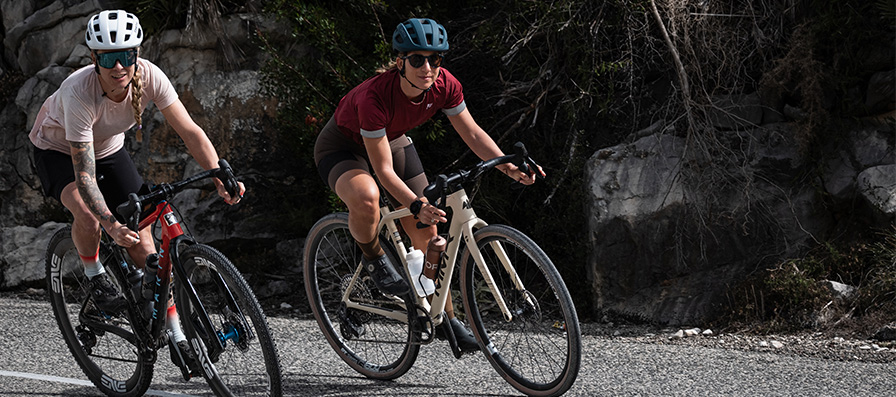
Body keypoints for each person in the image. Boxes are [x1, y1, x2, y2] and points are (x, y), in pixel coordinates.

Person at [29, 10, 245, 370]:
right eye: (109, 58)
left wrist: (219, 174)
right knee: (89, 214)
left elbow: (189, 130)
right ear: (94, 59)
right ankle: (96, 276)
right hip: (58, 152)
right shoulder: (78, 93)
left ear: (137, 54)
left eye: (126, 56)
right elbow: (84, 177)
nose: (119, 67)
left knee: (146, 244)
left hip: (109, 149)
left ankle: (177, 336)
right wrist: (111, 225)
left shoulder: (150, 76)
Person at [314, 18, 544, 351]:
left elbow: (473, 133)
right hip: (343, 147)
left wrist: (508, 165)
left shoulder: (444, 85)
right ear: (400, 62)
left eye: (434, 59)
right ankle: (375, 258)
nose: (427, 67)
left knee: (429, 234)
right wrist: (416, 204)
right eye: (417, 59)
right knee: (368, 197)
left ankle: (448, 319)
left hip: (389, 140)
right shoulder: (374, 98)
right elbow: (382, 170)